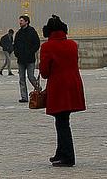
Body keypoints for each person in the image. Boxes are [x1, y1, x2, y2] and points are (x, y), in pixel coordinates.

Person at [39, 15, 85, 167]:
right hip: (73, 84)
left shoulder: (47, 47)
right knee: (62, 120)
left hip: (59, 87)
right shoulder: (72, 44)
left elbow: (45, 72)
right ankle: (60, 152)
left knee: (62, 123)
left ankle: (68, 156)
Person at [13, 15, 42, 103]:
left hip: (30, 59)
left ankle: (38, 88)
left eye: (22, 21)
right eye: (20, 20)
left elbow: (37, 43)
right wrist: (17, 53)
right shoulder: (18, 33)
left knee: (31, 76)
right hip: (21, 59)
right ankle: (24, 97)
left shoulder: (32, 32)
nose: (20, 22)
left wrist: (31, 51)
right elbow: (15, 45)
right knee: (21, 78)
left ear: (26, 22)